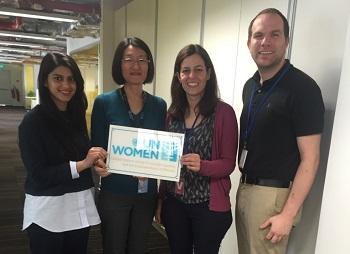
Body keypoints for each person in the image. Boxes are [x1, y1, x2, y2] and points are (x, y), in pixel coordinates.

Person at [235, 8, 325, 254]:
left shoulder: (303, 88)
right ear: (249, 43)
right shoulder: (251, 86)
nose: (265, 42)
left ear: (286, 40)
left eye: (275, 35)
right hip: (246, 188)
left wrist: (288, 213)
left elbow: (311, 158)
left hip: (275, 198)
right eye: (258, 35)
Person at [18, 52, 107, 254]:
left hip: (78, 206)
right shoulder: (32, 122)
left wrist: (95, 163)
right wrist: (83, 164)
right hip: (48, 212)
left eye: (71, 79)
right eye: (58, 78)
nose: (66, 85)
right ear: (45, 82)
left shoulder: (76, 117)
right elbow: (38, 174)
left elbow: (80, 154)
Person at [155, 44, 238, 254]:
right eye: (186, 70)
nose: (192, 76)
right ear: (178, 76)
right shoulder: (171, 114)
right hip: (175, 203)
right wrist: (160, 200)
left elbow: (228, 164)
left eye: (199, 69)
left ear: (208, 73)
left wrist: (203, 166)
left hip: (208, 207)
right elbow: (166, 164)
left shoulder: (224, 113)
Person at [91, 37, 167, 254]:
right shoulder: (104, 102)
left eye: (142, 60)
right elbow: (96, 148)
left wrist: (156, 166)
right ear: (119, 64)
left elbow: (161, 148)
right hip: (114, 190)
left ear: (149, 65)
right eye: (129, 60)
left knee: (139, 247)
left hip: (146, 194)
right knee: (113, 247)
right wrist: (99, 163)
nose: (136, 66)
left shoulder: (159, 105)